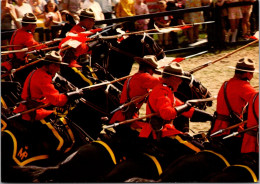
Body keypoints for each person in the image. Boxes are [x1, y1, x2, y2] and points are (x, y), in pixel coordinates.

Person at [13, 51, 81, 122]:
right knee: (64, 117)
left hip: (32, 106)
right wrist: (69, 96)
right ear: (51, 65)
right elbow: (56, 100)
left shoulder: (35, 72)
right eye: (57, 66)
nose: (58, 69)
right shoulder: (43, 77)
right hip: (33, 112)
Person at [211, 58, 258, 137]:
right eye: (252, 73)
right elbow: (257, 100)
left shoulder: (225, 84)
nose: (252, 76)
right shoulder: (243, 86)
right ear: (247, 74)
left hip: (216, 128)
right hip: (230, 130)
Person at [109, 55, 162, 125]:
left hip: (121, 115)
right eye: (153, 70)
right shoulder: (145, 77)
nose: (153, 73)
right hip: (128, 117)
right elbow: (163, 83)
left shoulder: (133, 77)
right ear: (148, 69)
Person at [1, 13, 47, 77]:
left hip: (12, 61)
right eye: (34, 24)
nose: (36, 26)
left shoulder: (17, 31)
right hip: (19, 65)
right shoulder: (26, 35)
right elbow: (35, 47)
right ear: (30, 25)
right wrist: (46, 46)